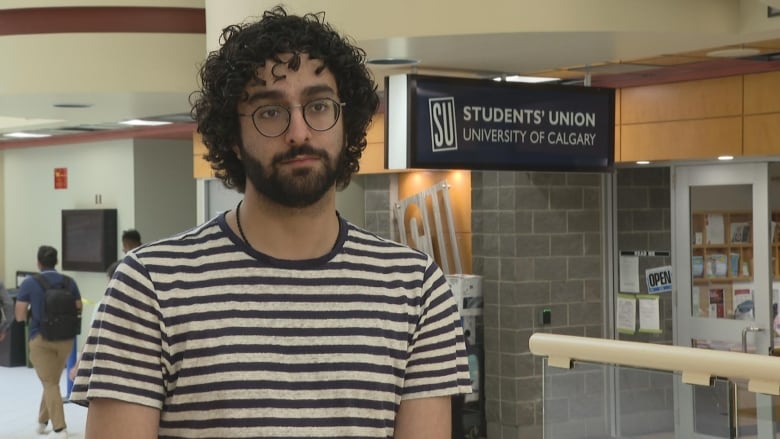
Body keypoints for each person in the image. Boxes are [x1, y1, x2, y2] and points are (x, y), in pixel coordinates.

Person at [71, 6, 471, 438]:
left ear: (346, 122)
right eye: (270, 112)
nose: (299, 131)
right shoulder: (150, 285)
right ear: (233, 139)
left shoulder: (415, 287)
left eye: (319, 106)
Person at [15, 245, 82, 439]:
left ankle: (60, 428)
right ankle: (42, 422)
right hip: (66, 341)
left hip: (41, 339)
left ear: (38, 263)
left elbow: (19, 316)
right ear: (57, 262)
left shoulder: (29, 283)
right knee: (51, 379)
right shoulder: (70, 282)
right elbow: (78, 308)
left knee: (50, 383)